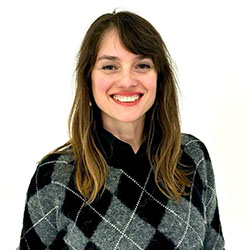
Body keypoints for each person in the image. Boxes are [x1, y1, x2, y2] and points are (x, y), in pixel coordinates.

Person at [18, 10, 225, 250]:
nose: (127, 80)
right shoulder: (55, 176)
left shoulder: (191, 155)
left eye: (142, 65)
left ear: (159, 77)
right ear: (88, 78)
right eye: (109, 67)